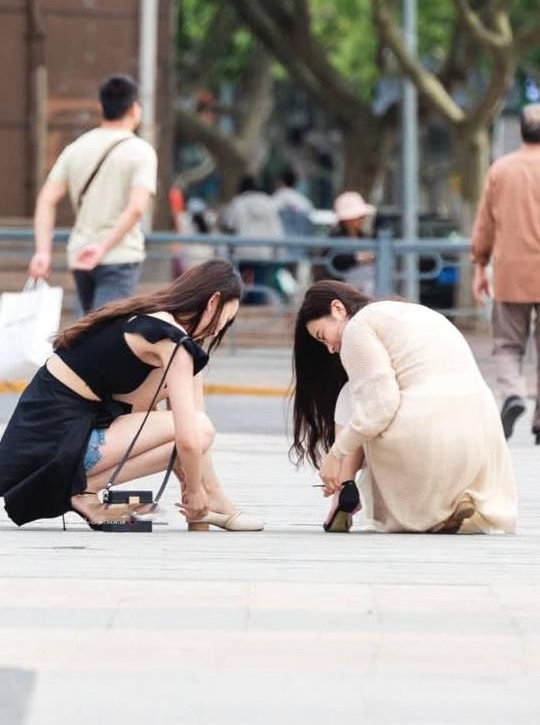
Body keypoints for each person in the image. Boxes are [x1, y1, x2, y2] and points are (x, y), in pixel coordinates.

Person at [0, 260, 263, 532]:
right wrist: (194, 493)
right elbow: (188, 439)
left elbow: (180, 425)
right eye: (226, 319)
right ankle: (85, 491)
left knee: (193, 403)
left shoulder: (148, 319)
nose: (220, 329)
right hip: (57, 449)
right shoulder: (171, 342)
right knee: (200, 429)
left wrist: (196, 486)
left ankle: (213, 496)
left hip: (47, 445)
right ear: (213, 302)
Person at [291, 281, 517, 534]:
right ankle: (450, 502)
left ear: (338, 308)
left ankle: (345, 489)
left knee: (353, 394)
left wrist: (336, 455)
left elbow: (380, 408)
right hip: (483, 437)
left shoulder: (358, 326)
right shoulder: (414, 312)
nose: (331, 349)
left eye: (324, 336)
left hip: (429, 434)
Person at [29, 74, 158, 314]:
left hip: (80, 254)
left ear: (101, 107)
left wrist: (42, 252)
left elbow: (46, 199)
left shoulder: (76, 148)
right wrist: (102, 247)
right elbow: (137, 209)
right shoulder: (141, 151)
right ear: (134, 109)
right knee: (103, 334)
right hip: (119, 255)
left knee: (86, 329)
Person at [472, 103, 540, 443]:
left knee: (508, 345)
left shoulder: (502, 170)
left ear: (521, 131)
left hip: (512, 271)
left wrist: (480, 265)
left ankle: (513, 393)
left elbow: (485, 223)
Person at [221, 176, 285, 304]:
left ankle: (241, 304)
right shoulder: (269, 203)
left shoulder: (238, 202)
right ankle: (259, 307)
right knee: (260, 281)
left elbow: (230, 224)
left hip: (242, 250)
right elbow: (277, 231)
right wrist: (278, 251)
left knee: (240, 281)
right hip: (263, 251)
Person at [317, 191, 376, 294]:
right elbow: (335, 261)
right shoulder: (334, 239)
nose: (362, 219)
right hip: (342, 288)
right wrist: (357, 258)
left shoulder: (364, 237)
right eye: (358, 217)